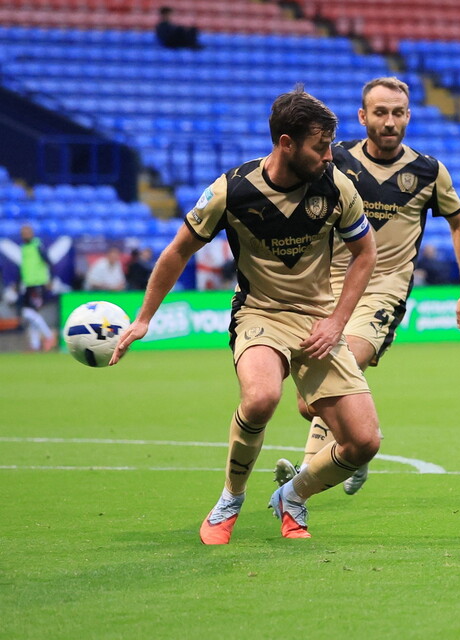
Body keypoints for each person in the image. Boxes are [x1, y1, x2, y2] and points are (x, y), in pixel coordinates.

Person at [109, 85, 380, 544]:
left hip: (318, 321)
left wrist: (337, 320)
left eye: (331, 145)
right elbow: (178, 251)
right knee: (260, 399)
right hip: (260, 313)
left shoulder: (336, 186)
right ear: (286, 143)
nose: (329, 156)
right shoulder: (231, 190)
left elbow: (365, 254)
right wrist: (144, 318)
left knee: (363, 443)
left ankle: (292, 496)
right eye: (320, 146)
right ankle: (230, 499)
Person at [274, 76, 460, 496]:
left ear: (409, 116)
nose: (390, 121)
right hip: (326, 288)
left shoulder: (428, 172)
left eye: (398, 113)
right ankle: (358, 444)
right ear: (362, 116)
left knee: (342, 365)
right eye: (381, 112)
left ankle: (307, 473)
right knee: (308, 403)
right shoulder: (334, 159)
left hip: (384, 290)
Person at [16, 224, 57, 352]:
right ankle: (35, 345)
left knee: (27, 312)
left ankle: (49, 336)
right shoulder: (24, 248)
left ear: (32, 233)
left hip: (38, 283)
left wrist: (50, 279)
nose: (25, 235)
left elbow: (48, 261)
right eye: (23, 233)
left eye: (27, 232)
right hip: (27, 284)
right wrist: (18, 283)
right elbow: (25, 267)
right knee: (32, 314)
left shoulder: (37, 245)